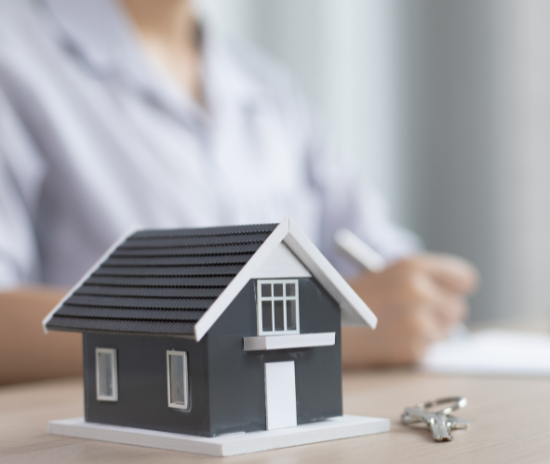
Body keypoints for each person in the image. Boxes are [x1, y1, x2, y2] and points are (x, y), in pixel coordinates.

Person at [0, 0, 477, 385]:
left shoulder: (264, 83)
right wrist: (307, 330)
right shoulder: (16, 61)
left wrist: (413, 297)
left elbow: (375, 256)